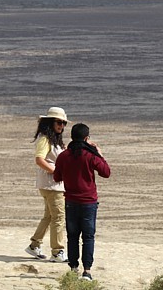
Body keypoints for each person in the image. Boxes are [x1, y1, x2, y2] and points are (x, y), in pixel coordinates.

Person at [53, 122, 111, 281]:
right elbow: (106, 172)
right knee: (88, 237)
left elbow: (57, 177)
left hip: (71, 201)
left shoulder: (64, 155)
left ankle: (73, 268)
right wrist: (99, 154)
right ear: (86, 138)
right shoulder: (90, 155)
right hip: (88, 202)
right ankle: (87, 270)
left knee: (72, 236)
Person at [25, 107, 68, 263]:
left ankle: (34, 244)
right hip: (52, 185)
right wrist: (57, 173)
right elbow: (39, 159)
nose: (61, 126)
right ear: (50, 122)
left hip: (51, 185)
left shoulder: (53, 140)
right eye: (59, 122)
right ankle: (57, 251)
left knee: (49, 216)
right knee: (58, 217)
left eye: (63, 123)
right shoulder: (45, 139)